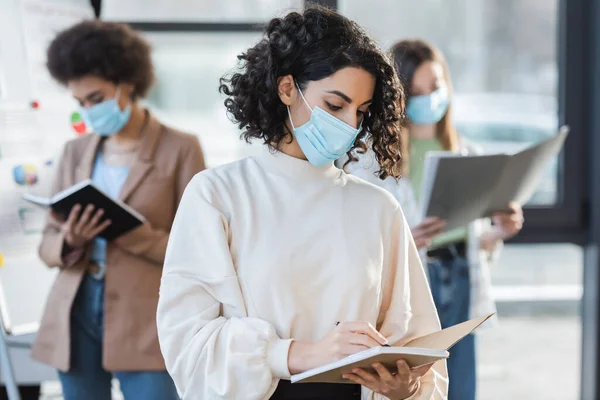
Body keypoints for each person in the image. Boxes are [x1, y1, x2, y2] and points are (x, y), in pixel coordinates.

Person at [157, 7, 448, 400]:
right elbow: (188, 345)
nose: (348, 125)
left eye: (360, 112)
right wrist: (302, 354)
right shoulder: (217, 195)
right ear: (287, 89)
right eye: (334, 105)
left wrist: (405, 388)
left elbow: (419, 348)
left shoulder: (378, 209)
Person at [31, 20, 206, 400]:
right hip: (76, 313)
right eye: (80, 103)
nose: (89, 110)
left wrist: (130, 234)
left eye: (95, 98)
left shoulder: (181, 148)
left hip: (147, 319)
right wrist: (69, 240)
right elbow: (46, 245)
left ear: (126, 83)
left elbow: (201, 249)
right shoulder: (74, 152)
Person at [344, 39, 524, 400]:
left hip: (460, 275)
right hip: (416, 282)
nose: (429, 99)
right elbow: (354, 245)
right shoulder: (368, 161)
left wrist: (500, 232)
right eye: (417, 91)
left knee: (461, 386)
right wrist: (407, 240)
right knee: (420, 385)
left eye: (435, 88)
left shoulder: (466, 151)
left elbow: (470, 238)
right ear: (398, 95)